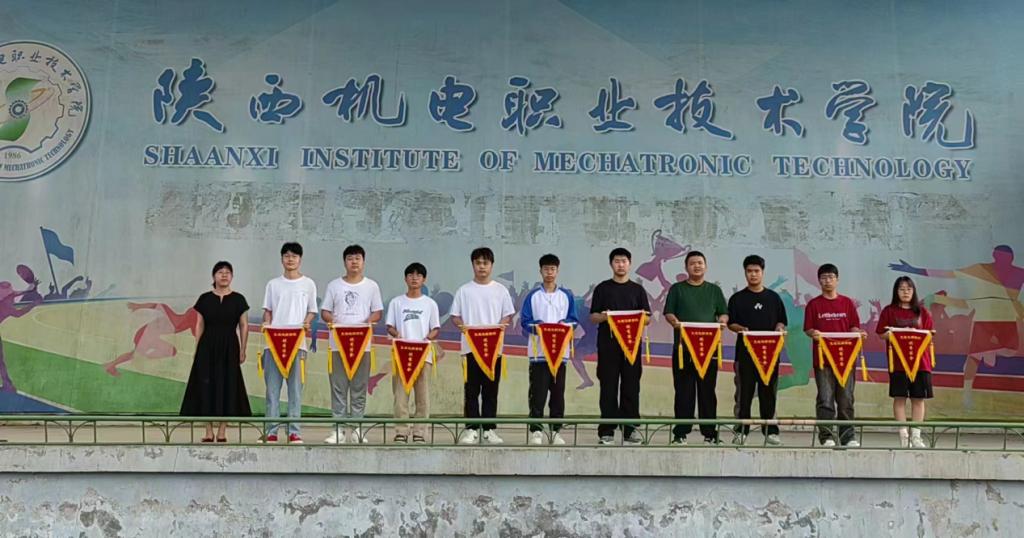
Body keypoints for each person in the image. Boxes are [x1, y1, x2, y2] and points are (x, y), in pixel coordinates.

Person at [180, 261, 252, 442]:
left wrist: (243, 348)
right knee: (206, 386)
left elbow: (244, 325)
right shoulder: (204, 299)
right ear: (214, 276)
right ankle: (208, 431)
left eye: (228, 272)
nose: (224, 275)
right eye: (220, 272)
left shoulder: (239, 299)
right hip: (207, 346)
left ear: (232, 276)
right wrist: (197, 348)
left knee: (228, 385)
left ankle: (222, 431)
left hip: (230, 346)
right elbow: (200, 324)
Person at [450, 247, 515, 445]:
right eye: (478, 263)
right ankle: (471, 429)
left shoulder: (500, 290)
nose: (482, 267)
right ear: (473, 265)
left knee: (490, 390)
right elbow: (455, 316)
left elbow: (508, 315)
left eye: (485, 263)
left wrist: (501, 326)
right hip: (470, 348)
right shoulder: (464, 290)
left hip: (493, 349)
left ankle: (489, 429)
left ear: (491, 265)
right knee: (471, 390)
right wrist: (463, 327)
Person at [663, 251, 728, 445]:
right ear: (686, 267)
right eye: (692, 263)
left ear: (705, 266)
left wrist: (722, 321)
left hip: (708, 349)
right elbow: (669, 313)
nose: (697, 266)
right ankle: (680, 433)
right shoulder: (677, 289)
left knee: (708, 392)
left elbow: (723, 313)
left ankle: (710, 433)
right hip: (683, 349)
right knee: (683, 392)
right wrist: (674, 322)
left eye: (700, 263)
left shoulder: (714, 290)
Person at [321, 245, 383, 444]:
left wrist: (369, 321)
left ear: (363, 261)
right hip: (338, 345)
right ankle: (338, 430)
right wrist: (332, 320)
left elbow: (377, 312)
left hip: (362, 345)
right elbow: (325, 312)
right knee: (338, 387)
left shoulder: (371, 286)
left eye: (357, 258)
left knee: (359, 387)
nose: (354, 262)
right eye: (350, 258)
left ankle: (357, 429)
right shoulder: (334, 286)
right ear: (344, 262)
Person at [590, 247, 651, 445]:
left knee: (631, 387)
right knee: (608, 387)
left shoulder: (638, 290)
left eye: (624, 261)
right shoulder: (602, 289)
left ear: (629, 264)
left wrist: (636, 318)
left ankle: (630, 430)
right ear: (611, 264)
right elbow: (593, 317)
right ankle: (607, 431)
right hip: (608, 347)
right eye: (617, 261)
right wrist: (607, 316)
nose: (620, 265)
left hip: (631, 347)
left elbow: (647, 318)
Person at [727, 255, 788, 446]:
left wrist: (779, 328)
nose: (753, 274)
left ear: (762, 272)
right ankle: (741, 431)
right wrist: (741, 329)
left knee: (768, 393)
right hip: (745, 355)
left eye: (756, 271)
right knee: (743, 394)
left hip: (769, 355)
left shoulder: (773, 298)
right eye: (749, 271)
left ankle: (771, 431)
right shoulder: (737, 299)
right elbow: (731, 323)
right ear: (745, 273)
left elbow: (781, 321)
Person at [803, 263, 865, 447]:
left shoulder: (847, 303)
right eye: (823, 278)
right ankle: (827, 436)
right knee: (825, 398)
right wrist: (813, 333)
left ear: (837, 279)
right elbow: (808, 329)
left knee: (846, 398)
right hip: (823, 359)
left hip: (846, 359)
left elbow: (853, 326)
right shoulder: (813, 305)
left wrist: (858, 333)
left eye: (831, 277)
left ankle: (848, 436)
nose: (827, 281)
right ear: (819, 281)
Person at [261, 242, 317, 444]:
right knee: (272, 390)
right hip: (273, 344)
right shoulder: (273, 284)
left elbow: (312, 311)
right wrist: (267, 323)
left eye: (294, 256)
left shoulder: (308, 284)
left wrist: (307, 322)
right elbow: (268, 311)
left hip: (297, 344)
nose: (290, 259)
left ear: (300, 259)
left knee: (295, 390)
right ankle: (271, 431)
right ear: (281, 259)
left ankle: (294, 431)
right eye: (286, 256)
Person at [520, 254, 579, 446]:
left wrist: (562, 325)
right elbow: (525, 321)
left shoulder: (566, 296)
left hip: (560, 354)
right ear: (540, 271)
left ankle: (555, 430)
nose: (549, 272)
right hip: (538, 353)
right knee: (537, 393)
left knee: (557, 393)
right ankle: (536, 430)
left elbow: (574, 321)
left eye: (552, 269)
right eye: (546, 269)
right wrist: (540, 327)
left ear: (557, 271)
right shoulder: (533, 296)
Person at [385, 262, 441, 444]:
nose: (414, 278)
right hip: (401, 354)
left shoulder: (430, 304)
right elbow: (389, 326)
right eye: (411, 275)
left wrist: (427, 338)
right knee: (400, 396)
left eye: (418, 275)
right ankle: (401, 431)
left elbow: (435, 328)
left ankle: (420, 432)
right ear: (405, 278)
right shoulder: (397, 302)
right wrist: (397, 334)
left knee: (422, 396)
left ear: (424, 279)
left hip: (423, 355)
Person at [877, 276, 935, 448]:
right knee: (900, 398)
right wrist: (894, 334)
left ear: (914, 291)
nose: (905, 292)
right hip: (898, 363)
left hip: (920, 363)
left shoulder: (922, 312)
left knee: (918, 399)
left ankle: (916, 436)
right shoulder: (889, 311)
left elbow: (930, 333)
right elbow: (881, 334)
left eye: (909, 289)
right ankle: (903, 436)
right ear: (896, 291)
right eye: (901, 289)